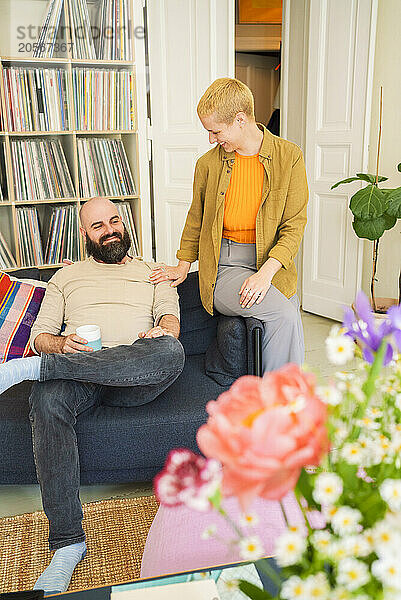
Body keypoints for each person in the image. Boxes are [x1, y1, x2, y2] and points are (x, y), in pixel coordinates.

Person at [0, 198, 184, 594]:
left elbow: (171, 321)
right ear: (85, 234)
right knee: (47, 401)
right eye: (98, 225)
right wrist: (63, 343)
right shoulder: (65, 278)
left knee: (171, 352)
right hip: (80, 373)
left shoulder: (154, 273)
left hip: (135, 373)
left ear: (125, 222)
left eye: (114, 220)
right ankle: (68, 543)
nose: (110, 229)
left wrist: (161, 329)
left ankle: (32, 371)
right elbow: (40, 336)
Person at [150, 77, 308, 373]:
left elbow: (294, 225)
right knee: (284, 315)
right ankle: (278, 404)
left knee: (289, 312)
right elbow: (196, 217)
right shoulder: (208, 164)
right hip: (224, 266)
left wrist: (265, 274)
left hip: (271, 263)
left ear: (240, 120)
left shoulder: (289, 157)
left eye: (215, 131)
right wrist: (183, 266)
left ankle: (287, 400)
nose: (211, 139)